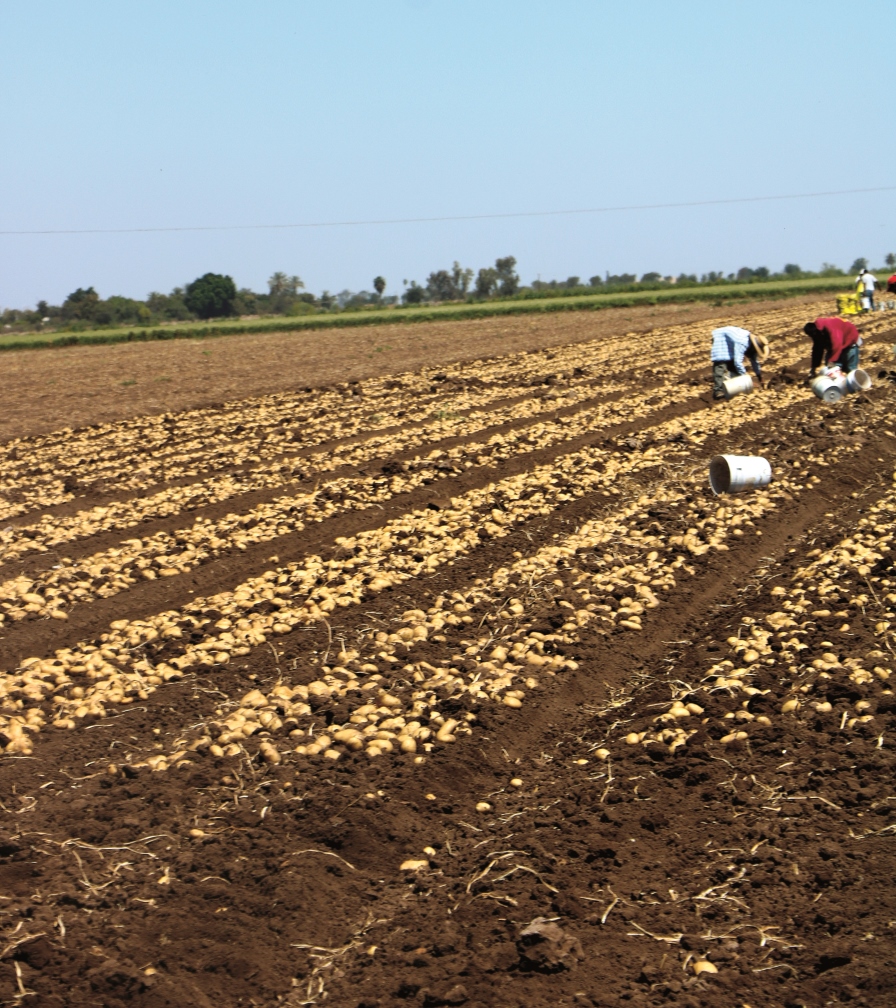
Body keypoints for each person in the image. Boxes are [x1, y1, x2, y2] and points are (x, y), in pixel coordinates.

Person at [710, 326, 769, 400]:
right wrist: (748, 381)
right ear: (754, 346)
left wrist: (760, 377)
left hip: (730, 340)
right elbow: (738, 362)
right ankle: (718, 390)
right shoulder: (743, 343)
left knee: (733, 368)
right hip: (721, 337)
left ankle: (730, 388)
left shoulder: (752, 348)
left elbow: (754, 362)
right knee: (721, 363)